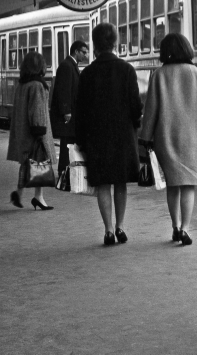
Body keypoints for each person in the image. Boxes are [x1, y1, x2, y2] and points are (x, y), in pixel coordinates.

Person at [139, 33, 197, 246]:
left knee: (173, 185)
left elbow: (151, 109)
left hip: (167, 137)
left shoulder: (159, 75)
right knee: (189, 186)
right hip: (194, 139)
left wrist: (145, 136)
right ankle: (186, 228)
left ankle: (175, 226)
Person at [75, 23, 143, 246]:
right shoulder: (127, 70)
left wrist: (81, 140)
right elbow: (135, 106)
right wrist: (135, 126)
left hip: (97, 137)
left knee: (103, 184)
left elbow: (81, 111)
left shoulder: (87, 74)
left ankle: (107, 231)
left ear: (95, 44)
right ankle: (120, 227)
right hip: (123, 136)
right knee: (121, 183)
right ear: (115, 43)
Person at [8, 52, 57, 210]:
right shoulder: (37, 85)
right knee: (40, 163)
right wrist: (40, 131)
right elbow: (36, 110)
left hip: (23, 131)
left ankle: (20, 193)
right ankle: (38, 197)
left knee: (27, 163)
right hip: (35, 131)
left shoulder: (22, 84)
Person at [50, 40, 88, 177]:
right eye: (83, 52)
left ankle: (65, 171)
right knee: (67, 143)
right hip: (68, 115)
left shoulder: (71, 65)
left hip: (70, 114)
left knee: (68, 143)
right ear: (76, 51)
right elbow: (64, 90)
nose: (86, 55)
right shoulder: (67, 66)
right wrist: (66, 111)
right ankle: (63, 172)